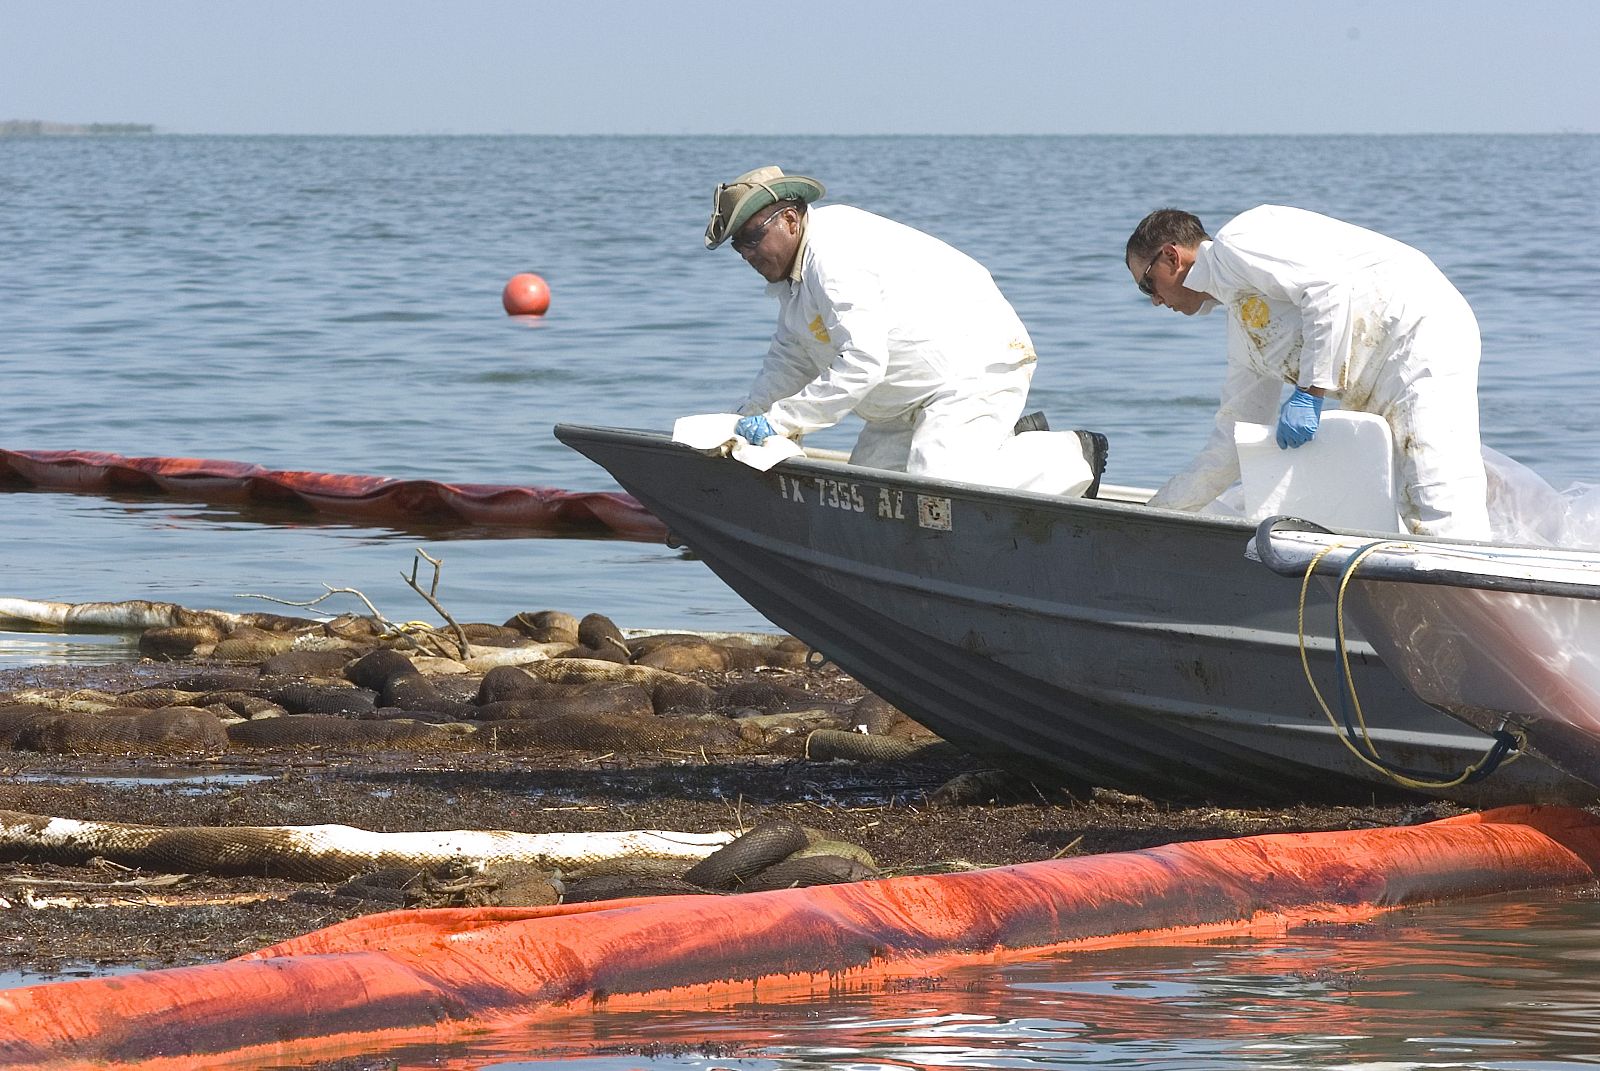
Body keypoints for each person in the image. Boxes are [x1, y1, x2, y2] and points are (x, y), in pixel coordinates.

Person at [705, 166, 1104, 495]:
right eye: (738, 246)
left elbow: (862, 364)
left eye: (753, 237)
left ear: (790, 219)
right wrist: (743, 421)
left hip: (972, 370)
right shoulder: (793, 285)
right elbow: (789, 362)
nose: (747, 254)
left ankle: (1069, 455)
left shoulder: (833, 259)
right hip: (908, 396)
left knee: (937, 484)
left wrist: (782, 422)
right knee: (871, 491)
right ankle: (988, 445)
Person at [1125, 205, 1489, 539]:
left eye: (1146, 284)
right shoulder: (1243, 325)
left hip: (1418, 331)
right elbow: (1233, 437)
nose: (1154, 300)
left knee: (1434, 493)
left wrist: (1310, 393)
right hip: (1374, 372)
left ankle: (1484, 590)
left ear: (1172, 257)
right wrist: (1158, 513)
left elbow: (1327, 288)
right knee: (1390, 498)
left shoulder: (1239, 240)